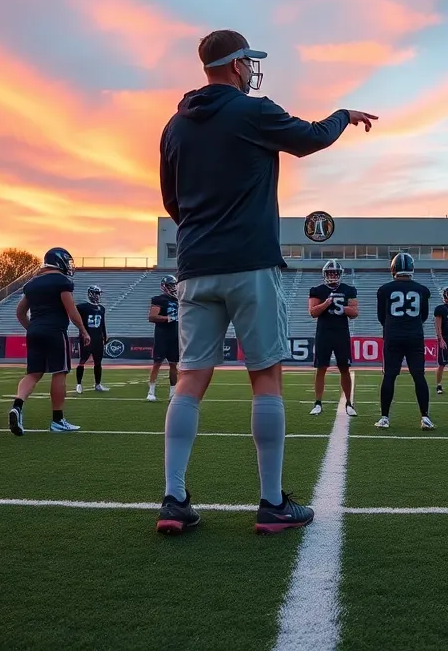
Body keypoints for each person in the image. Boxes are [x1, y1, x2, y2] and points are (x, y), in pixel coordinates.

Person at [156, 29, 376, 535]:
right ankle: (272, 503)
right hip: (250, 262)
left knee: (190, 379)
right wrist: (343, 114)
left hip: (194, 265)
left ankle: (173, 499)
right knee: (266, 378)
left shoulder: (174, 125)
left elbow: (171, 201)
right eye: (248, 62)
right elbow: (312, 138)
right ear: (237, 65)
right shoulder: (252, 112)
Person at [10, 247, 88, 436]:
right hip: (54, 331)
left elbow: (20, 312)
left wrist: (32, 328)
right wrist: (83, 330)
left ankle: (17, 405)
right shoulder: (61, 281)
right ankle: (57, 420)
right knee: (60, 372)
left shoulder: (32, 283)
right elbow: (71, 311)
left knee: (33, 374)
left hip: (34, 330)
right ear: (59, 261)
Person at [375, 252, 434, 430]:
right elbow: (424, 316)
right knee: (419, 376)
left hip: (393, 336)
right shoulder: (422, 290)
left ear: (393, 269)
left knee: (389, 376)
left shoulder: (384, 289)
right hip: (415, 336)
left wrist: (394, 326)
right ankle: (425, 417)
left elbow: (381, 316)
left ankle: (384, 418)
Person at [309, 260, 358, 416]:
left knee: (344, 368)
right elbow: (313, 312)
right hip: (323, 333)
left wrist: (342, 308)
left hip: (341, 333)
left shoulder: (348, 289)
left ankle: (349, 403)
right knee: (321, 368)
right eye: (330, 273)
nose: (333, 276)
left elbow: (355, 313)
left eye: (335, 273)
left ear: (340, 274)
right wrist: (326, 304)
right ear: (325, 274)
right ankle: (317, 403)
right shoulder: (317, 290)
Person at [147, 275, 180, 402]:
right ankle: (151, 392)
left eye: (174, 285)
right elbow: (152, 317)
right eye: (170, 285)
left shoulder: (179, 300)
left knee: (174, 365)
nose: (173, 288)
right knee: (157, 363)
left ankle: (172, 394)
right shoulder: (159, 299)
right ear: (164, 286)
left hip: (175, 335)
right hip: (162, 335)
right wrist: (168, 318)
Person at [75, 285, 110, 394]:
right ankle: (79, 384)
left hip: (98, 338)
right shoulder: (82, 307)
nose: (98, 296)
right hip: (86, 337)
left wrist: (105, 335)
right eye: (96, 293)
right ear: (91, 294)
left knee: (98, 362)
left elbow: (102, 324)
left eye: (98, 294)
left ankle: (98, 384)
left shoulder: (101, 308)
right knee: (82, 360)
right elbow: (73, 315)